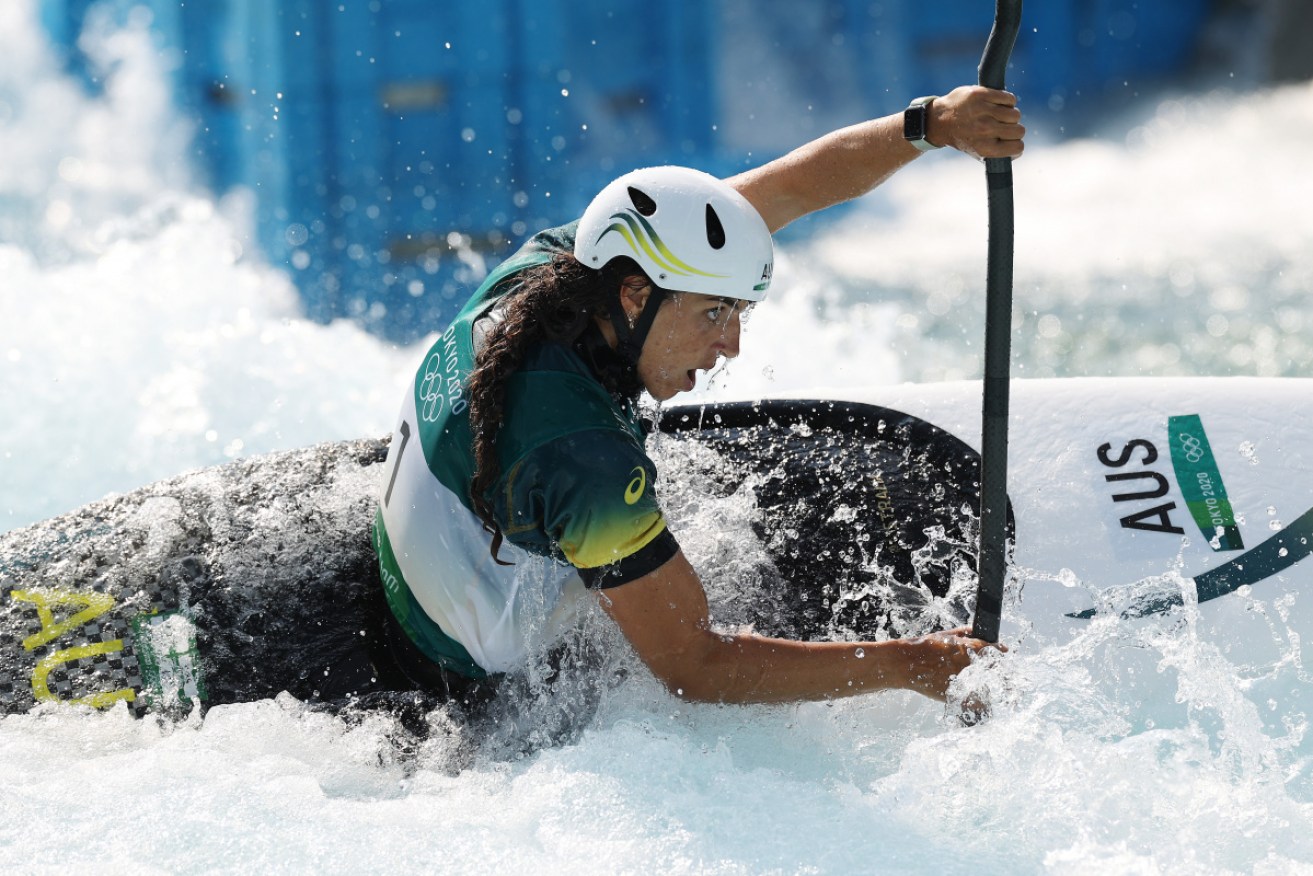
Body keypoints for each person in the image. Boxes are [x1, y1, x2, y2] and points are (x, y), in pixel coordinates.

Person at [373, 86, 1024, 707]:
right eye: (714, 313)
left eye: (737, 311)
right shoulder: (581, 456)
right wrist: (907, 665)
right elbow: (694, 668)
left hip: (422, 558)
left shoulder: (550, 272)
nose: (731, 343)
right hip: (454, 675)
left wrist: (927, 125)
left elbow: (788, 189)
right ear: (634, 296)